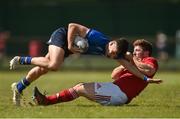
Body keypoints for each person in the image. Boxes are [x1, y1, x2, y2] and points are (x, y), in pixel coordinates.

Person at [9, 23, 157, 106]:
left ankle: (19, 87)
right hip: (63, 36)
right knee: (53, 65)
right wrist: (70, 45)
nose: (111, 56)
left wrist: (145, 79)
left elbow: (130, 67)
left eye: (114, 55)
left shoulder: (114, 52)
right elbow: (72, 25)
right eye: (112, 52)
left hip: (70, 47)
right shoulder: (98, 38)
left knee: (43, 68)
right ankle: (21, 59)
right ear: (111, 43)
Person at [32, 39, 162, 106]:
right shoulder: (132, 64)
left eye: (138, 50)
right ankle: (46, 100)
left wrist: (131, 60)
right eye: (134, 50)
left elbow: (149, 70)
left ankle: (46, 101)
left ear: (146, 53)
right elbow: (114, 75)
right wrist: (126, 66)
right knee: (79, 86)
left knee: (80, 88)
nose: (134, 52)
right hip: (114, 90)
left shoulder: (151, 60)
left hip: (119, 95)